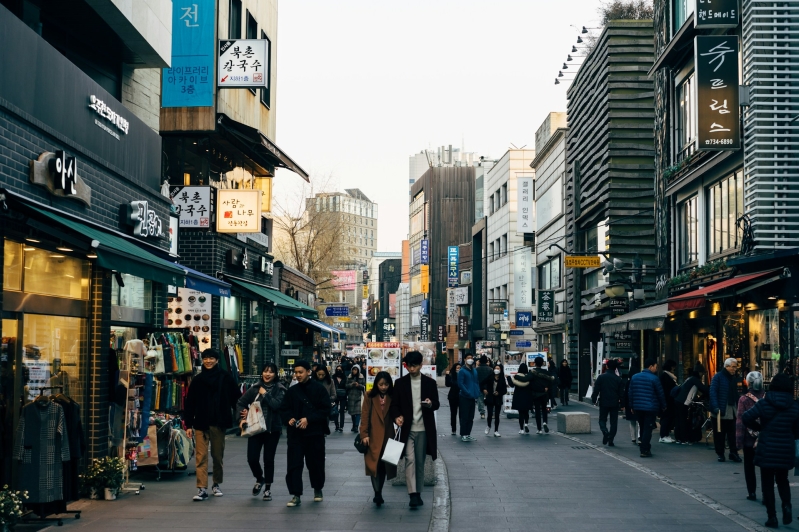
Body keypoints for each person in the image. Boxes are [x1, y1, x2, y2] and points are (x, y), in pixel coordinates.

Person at [742, 373, 799, 529]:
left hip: (767, 446)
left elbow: (746, 417)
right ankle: (786, 505)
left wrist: (760, 428)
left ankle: (772, 517)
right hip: (785, 447)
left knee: (767, 483)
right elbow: (797, 429)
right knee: (783, 479)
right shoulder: (794, 406)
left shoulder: (764, 403)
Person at [184, 349, 241, 501]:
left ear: (216, 360)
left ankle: (216, 483)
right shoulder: (198, 380)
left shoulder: (226, 378)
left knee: (217, 455)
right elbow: (190, 403)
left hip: (219, 422)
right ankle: (202, 488)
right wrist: (188, 424)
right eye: (205, 359)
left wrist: (241, 416)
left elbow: (237, 398)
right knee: (200, 456)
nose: (208, 361)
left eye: (211, 358)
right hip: (201, 423)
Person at [389, 351, 440, 509]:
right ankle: (413, 494)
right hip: (407, 429)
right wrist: (397, 416)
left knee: (420, 462)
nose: (411, 369)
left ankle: (418, 492)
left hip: (424, 429)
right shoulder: (400, 383)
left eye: (414, 365)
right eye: (409, 366)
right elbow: (394, 405)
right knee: (410, 459)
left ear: (421, 365)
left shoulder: (429, 383)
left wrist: (430, 403)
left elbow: (437, 404)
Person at [279, 360, 331, 507]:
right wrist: (289, 419)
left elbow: (325, 409)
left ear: (309, 372)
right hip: (295, 434)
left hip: (314, 433)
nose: (297, 375)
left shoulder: (319, 389)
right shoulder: (292, 391)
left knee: (315, 463)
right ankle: (296, 494)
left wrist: (308, 419)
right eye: (296, 372)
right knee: (294, 464)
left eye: (300, 372)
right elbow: (284, 408)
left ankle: (317, 489)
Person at [236, 363, 286, 501]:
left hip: (272, 429)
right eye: (265, 371)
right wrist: (242, 417)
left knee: (268, 459)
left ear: (275, 374)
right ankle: (260, 478)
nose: (267, 374)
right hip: (255, 428)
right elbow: (241, 402)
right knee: (252, 458)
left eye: (271, 372)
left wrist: (265, 395)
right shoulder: (254, 388)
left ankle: (268, 489)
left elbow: (276, 405)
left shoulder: (280, 389)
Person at [360, 371, 397, 507]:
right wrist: (364, 434)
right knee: (373, 465)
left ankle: (379, 491)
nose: (383, 387)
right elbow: (364, 416)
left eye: (386, 384)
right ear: (376, 384)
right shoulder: (369, 395)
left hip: (388, 435)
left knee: (383, 465)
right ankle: (377, 493)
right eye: (381, 384)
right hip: (373, 435)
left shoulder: (393, 396)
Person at [628, 357, 666, 458]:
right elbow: (660, 394)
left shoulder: (635, 377)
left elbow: (630, 392)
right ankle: (644, 449)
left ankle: (645, 447)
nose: (656, 369)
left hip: (638, 407)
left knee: (642, 426)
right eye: (655, 366)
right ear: (650, 367)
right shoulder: (654, 378)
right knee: (648, 429)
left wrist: (631, 405)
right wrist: (663, 406)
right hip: (650, 407)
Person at [737, 371, 766, 502]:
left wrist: (738, 441)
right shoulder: (768, 398)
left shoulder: (744, 399)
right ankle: (767, 493)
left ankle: (752, 492)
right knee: (766, 469)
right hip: (765, 439)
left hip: (749, 439)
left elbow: (740, 422)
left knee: (749, 466)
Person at [710, 357, 742, 463]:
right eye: (733, 367)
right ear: (727, 366)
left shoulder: (734, 378)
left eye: (735, 367)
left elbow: (736, 394)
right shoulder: (718, 377)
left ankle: (734, 452)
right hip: (721, 408)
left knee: (733, 433)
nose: (734, 369)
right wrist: (715, 407)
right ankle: (720, 453)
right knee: (720, 433)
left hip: (732, 408)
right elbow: (713, 392)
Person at [591, 359, 624, 446]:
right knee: (614, 422)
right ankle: (611, 439)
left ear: (607, 366)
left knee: (602, 419)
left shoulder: (601, 377)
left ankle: (605, 431)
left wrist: (594, 399)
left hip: (604, 402)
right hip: (614, 402)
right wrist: (622, 404)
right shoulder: (618, 379)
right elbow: (621, 393)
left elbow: (596, 389)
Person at [674, 363, 709, 444]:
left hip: (677, 400)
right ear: (699, 372)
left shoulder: (689, 378)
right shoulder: (695, 380)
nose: (702, 375)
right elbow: (704, 389)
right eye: (702, 373)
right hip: (683, 402)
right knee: (683, 419)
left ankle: (678, 438)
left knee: (678, 420)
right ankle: (683, 439)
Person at [457, 352, 481, 442]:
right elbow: (461, 383)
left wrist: (477, 391)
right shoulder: (462, 371)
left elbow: (476, 382)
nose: (470, 359)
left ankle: (468, 433)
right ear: (465, 359)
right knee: (464, 416)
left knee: (471, 417)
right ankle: (463, 434)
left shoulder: (474, 370)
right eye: (468, 358)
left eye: (471, 357)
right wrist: (467, 392)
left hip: (473, 396)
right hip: (465, 397)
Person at [481, 363, 507, 437]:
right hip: (490, 398)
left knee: (497, 415)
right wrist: (484, 389)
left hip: (498, 399)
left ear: (501, 370)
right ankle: (488, 426)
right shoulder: (490, 377)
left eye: (498, 368)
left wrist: (499, 393)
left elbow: (504, 390)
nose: (496, 370)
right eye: (495, 368)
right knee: (489, 414)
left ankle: (496, 430)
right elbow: (482, 383)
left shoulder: (502, 379)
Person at [530, 357, 554, 434]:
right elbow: (550, 382)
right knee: (544, 409)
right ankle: (544, 422)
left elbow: (531, 383)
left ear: (535, 363)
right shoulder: (546, 372)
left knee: (537, 411)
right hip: (544, 394)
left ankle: (539, 429)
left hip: (536, 394)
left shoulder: (532, 372)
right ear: (542, 363)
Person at [509, 363, 534, 434]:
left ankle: (521, 429)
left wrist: (508, 378)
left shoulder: (517, 376)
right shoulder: (528, 376)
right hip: (527, 395)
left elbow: (511, 385)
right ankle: (526, 424)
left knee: (521, 413)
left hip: (519, 395)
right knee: (526, 412)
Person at [658, 359, 678, 444]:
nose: (674, 368)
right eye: (673, 367)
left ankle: (666, 435)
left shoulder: (668, 376)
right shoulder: (665, 376)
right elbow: (665, 390)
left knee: (668, 418)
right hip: (667, 401)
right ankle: (663, 435)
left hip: (668, 401)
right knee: (666, 418)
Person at [314, 366, 337, 430]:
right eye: (319, 374)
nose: (321, 376)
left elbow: (334, 395)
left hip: (325, 406)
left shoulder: (330, 381)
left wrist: (327, 399)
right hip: (314, 406)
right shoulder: (312, 381)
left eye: (323, 375)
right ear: (316, 373)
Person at [624, 361, 640, 444]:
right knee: (639, 422)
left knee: (632, 422)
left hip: (629, 404)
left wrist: (625, 405)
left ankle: (633, 438)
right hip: (638, 404)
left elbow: (626, 395)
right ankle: (639, 437)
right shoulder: (638, 382)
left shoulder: (628, 382)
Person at [346, 365, 366, 432]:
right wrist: (351, 384)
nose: (354, 371)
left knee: (358, 412)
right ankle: (354, 425)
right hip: (351, 396)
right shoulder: (349, 377)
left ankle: (356, 426)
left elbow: (364, 386)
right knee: (352, 413)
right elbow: (346, 386)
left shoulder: (361, 377)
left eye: (356, 370)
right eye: (353, 369)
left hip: (359, 396)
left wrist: (358, 385)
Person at [444, 363, 461, 436]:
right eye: (457, 368)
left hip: (461, 396)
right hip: (453, 396)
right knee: (453, 413)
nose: (458, 369)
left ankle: (462, 429)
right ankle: (453, 429)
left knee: (462, 414)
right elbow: (448, 384)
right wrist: (447, 375)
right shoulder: (451, 375)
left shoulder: (463, 375)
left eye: (460, 368)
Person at [475, 355, 492, 419]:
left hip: (479, 386)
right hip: (488, 387)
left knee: (480, 400)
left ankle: (482, 413)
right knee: (490, 400)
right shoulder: (490, 369)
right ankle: (491, 413)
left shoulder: (477, 369)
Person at [332, 366, 348, 432]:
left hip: (343, 396)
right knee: (335, 410)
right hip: (335, 395)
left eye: (340, 369)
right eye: (337, 369)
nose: (338, 371)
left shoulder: (345, 377)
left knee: (342, 410)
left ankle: (341, 426)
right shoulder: (333, 377)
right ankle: (336, 425)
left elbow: (346, 386)